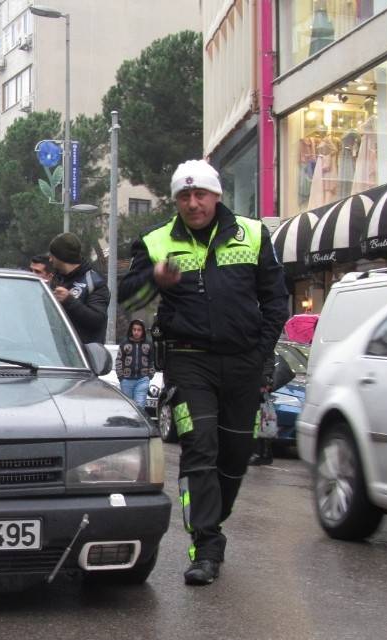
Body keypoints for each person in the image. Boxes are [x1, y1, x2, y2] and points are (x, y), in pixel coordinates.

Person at [119, 159, 288, 586]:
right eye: (184, 196)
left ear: (217, 196)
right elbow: (127, 298)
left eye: (201, 195)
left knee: (234, 458)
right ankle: (205, 547)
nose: (193, 204)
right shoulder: (157, 241)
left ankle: (214, 520)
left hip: (244, 362)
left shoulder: (251, 233)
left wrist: (263, 352)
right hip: (188, 360)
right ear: (175, 200)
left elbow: (275, 300)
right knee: (199, 448)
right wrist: (155, 279)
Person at [47, 232, 109, 345]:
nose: (50, 260)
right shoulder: (56, 279)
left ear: (62, 256)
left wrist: (69, 301)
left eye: (53, 255)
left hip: (83, 357)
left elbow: (98, 320)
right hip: (56, 355)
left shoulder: (95, 282)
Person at [117, 319, 155, 408]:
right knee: (127, 408)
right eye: (134, 329)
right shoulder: (124, 344)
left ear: (143, 331)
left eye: (139, 330)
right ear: (131, 330)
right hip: (126, 380)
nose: (136, 332)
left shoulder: (148, 344)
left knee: (140, 407)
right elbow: (119, 360)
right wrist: (121, 377)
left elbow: (152, 361)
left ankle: (139, 422)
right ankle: (128, 422)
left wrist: (149, 376)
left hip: (142, 380)